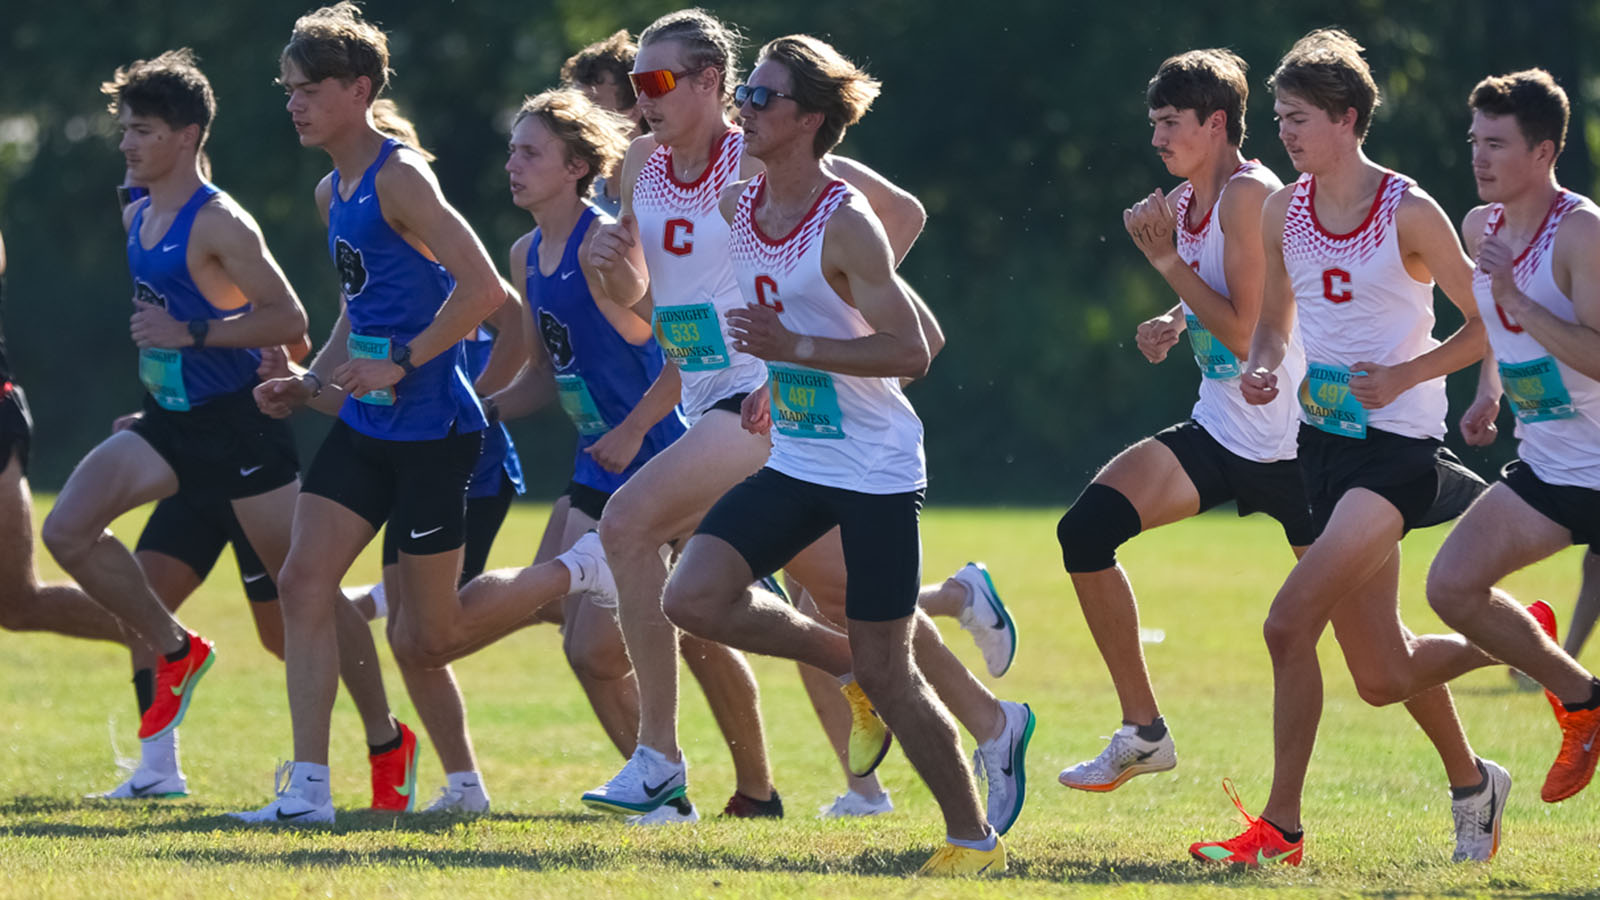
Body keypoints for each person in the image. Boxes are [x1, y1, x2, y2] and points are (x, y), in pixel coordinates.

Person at [578, 11, 1020, 832]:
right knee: (847, 596)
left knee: (629, 527)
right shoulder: (642, 163)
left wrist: (819, 321)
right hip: (707, 397)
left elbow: (903, 220)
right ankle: (991, 716)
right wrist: (611, 281)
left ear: (712, 82)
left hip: (761, 399)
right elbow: (649, 322)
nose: (642, 100)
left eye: (658, 82)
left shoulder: (765, 154)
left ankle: (660, 764)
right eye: (636, 82)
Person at [1189, 29, 1505, 867]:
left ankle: (1280, 829)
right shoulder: (1281, 208)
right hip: (1319, 446)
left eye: (1298, 118)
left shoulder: (1408, 210)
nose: (1286, 134)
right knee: (1382, 675)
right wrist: (1261, 367)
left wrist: (1409, 376)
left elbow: (1489, 324)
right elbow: (1274, 322)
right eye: (1282, 118)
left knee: (1287, 624)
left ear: (1348, 119)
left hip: (1396, 452)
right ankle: (1485, 756)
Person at [236, 3, 514, 823]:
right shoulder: (332, 192)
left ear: (359, 90)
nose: (295, 103)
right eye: (288, 89)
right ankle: (310, 792)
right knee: (303, 579)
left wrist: (402, 361)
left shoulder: (400, 176)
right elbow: (359, 311)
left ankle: (574, 577)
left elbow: (486, 290)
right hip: (366, 428)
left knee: (431, 636)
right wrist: (309, 380)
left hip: (436, 433)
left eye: (311, 88)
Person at [38, 49, 313, 758]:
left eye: (144, 130)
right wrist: (158, 388)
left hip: (240, 433)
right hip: (169, 426)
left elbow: (289, 319)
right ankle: (175, 651)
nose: (127, 143)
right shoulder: (134, 208)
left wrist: (192, 333)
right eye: (125, 128)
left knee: (302, 605)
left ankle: (383, 742)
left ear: (187, 136)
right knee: (67, 531)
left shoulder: (221, 221)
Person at [1055, 49, 1307, 793]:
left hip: (1301, 447)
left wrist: (1166, 266)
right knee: (1086, 530)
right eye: (1154, 123)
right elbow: (1219, 295)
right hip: (1224, 432)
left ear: (1216, 123)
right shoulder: (1189, 198)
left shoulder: (1248, 195)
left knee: (1380, 659)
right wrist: (1170, 318)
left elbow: (1247, 331)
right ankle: (1144, 732)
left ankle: (1484, 741)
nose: (1158, 137)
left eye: (1172, 123)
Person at [1425, 68, 1600, 804]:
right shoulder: (1479, 226)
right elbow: (1496, 329)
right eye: (1474, 141)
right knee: (1451, 587)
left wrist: (1515, 296)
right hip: (1553, 469)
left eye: (1496, 144)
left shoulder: (1581, 230)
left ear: (1545, 151)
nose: (1479, 158)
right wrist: (1488, 389)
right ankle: (1586, 703)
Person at [562, 30, 646, 217]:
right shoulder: (579, 194)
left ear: (634, 111)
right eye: (574, 103)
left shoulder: (668, 190)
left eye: (591, 102)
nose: (575, 116)